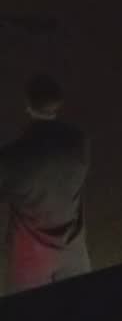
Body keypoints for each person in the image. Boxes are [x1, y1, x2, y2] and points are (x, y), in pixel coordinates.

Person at [0, 75, 90, 294]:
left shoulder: (14, 157)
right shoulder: (79, 140)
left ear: (28, 105)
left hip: (31, 257)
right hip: (73, 249)